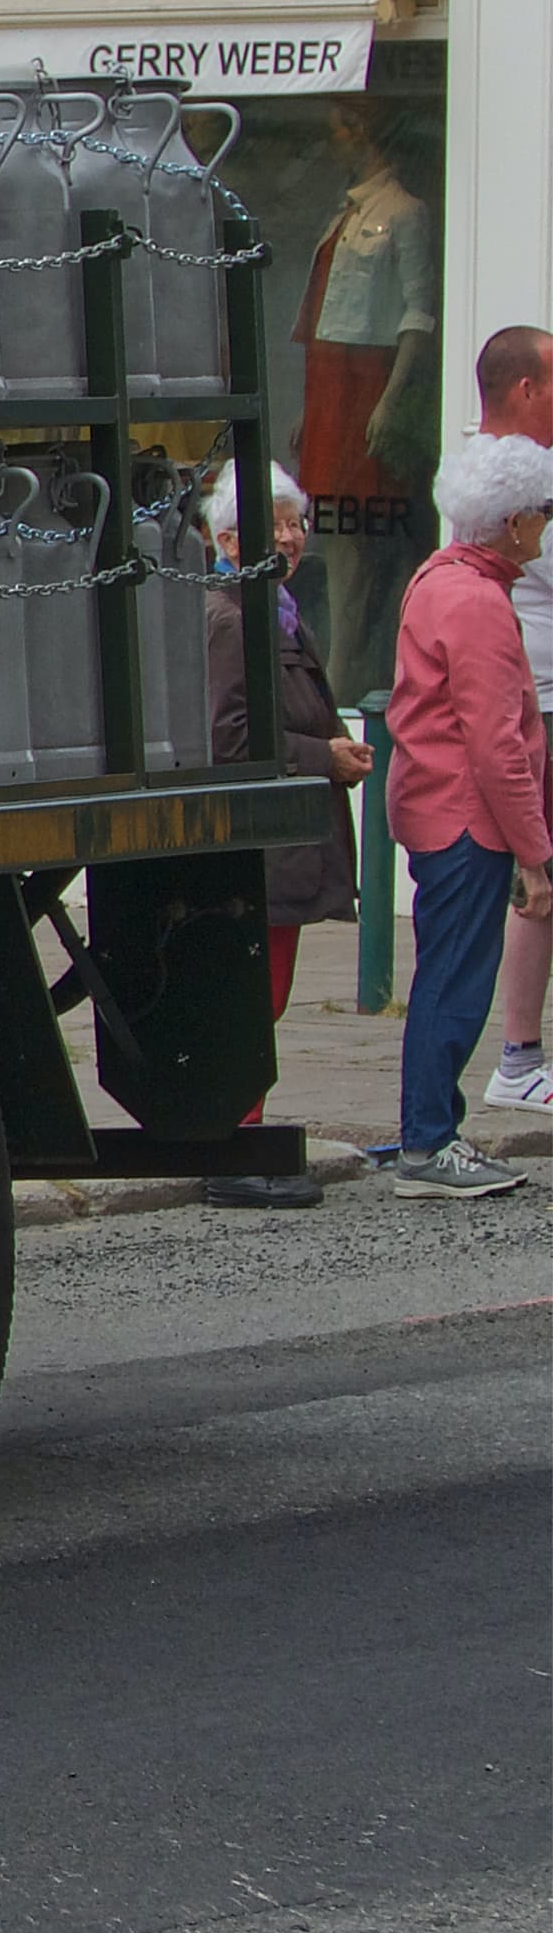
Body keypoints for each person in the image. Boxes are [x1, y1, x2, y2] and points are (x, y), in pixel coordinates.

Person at [382, 433, 553, 1197]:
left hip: (439, 807)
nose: (546, 527)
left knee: (444, 975)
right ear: (513, 521)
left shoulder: (439, 578)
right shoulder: (478, 601)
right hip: (465, 817)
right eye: (542, 513)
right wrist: (536, 854)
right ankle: (429, 1142)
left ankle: (431, 1131)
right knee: (454, 982)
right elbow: (496, 743)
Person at [197, 464, 366, 1210]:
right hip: (259, 848)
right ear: (229, 538)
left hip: (286, 846)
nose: (293, 537)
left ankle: (246, 1137)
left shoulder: (275, 608)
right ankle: (234, 1147)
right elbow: (229, 739)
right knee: (251, 998)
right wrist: (321, 756)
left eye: (298, 522)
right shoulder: (235, 618)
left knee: (268, 995)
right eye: (276, 524)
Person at [295, 99, 443, 702]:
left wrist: (389, 399)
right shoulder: (346, 212)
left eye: (341, 131)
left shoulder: (405, 213)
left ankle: (346, 675)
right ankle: (338, 669)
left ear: (365, 133)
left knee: (358, 536)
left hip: (367, 382)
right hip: (332, 381)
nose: (334, 143)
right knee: (331, 533)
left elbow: (418, 310)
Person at [472, 328, 553, 1112]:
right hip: (540, 701)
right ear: (525, 388)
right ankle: (520, 1057)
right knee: (539, 883)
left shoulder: (482, 466)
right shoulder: (513, 480)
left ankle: (522, 1055)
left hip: (531, 698)